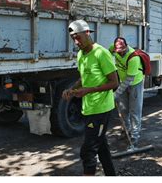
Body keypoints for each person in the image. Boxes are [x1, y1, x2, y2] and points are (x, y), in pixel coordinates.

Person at [62, 19, 119, 176]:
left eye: (78, 37)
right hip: (88, 108)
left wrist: (89, 90)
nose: (76, 42)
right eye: (73, 38)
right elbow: (83, 78)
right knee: (101, 147)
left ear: (87, 33)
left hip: (101, 110)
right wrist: (71, 89)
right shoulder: (80, 55)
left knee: (88, 151)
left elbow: (114, 82)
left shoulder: (101, 53)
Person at [109, 37, 144, 148]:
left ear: (125, 47)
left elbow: (129, 80)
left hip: (135, 84)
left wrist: (116, 94)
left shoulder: (134, 58)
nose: (119, 53)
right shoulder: (113, 48)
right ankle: (126, 131)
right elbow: (107, 53)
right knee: (123, 109)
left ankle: (134, 137)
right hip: (123, 81)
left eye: (121, 51)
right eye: (117, 51)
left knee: (134, 111)